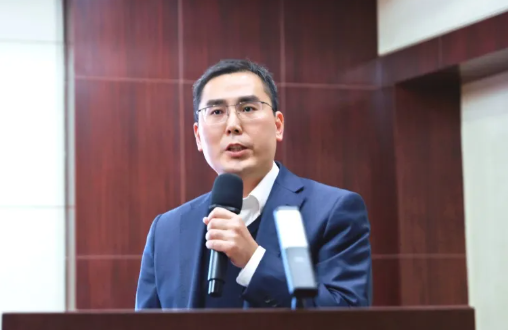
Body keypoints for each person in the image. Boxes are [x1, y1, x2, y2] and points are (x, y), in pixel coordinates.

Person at [135, 59, 372, 309]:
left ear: (278, 126)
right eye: (216, 112)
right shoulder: (167, 230)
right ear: (198, 137)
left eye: (248, 108)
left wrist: (254, 260)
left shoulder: (332, 211)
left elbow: (347, 318)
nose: (233, 125)